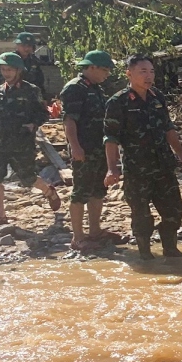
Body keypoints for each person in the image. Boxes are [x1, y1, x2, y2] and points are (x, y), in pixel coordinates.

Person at [103, 55, 182, 260]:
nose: (149, 76)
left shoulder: (157, 97)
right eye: (143, 71)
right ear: (129, 73)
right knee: (141, 215)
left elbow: (168, 128)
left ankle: (170, 248)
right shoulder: (118, 102)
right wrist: (112, 168)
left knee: (174, 209)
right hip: (137, 169)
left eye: (151, 71)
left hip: (163, 165)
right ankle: (145, 253)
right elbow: (111, 138)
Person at [0, 52, 62, 225]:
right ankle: (0, 215)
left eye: (9, 69)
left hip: (21, 143)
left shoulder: (31, 90)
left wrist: (33, 124)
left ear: (18, 70)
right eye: (3, 69)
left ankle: (49, 191)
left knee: (28, 178)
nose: (6, 73)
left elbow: (42, 113)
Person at [59, 50, 121, 251]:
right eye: (104, 70)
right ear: (91, 67)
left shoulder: (95, 88)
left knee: (97, 190)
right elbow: (69, 120)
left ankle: (95, 231)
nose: (107, 74)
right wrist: (75, 147)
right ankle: (78, 237)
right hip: (84, 149)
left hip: (98, 148)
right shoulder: (75, 88)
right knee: (81, 192)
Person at [0, 32, 47, 96]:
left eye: (29, 46)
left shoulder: (35, 61)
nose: (26, 49)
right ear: (17, 45)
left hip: (30, 96)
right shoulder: (8, 59)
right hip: (8, 95)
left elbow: (40, 82)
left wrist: (43, 97)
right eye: (23, 46)